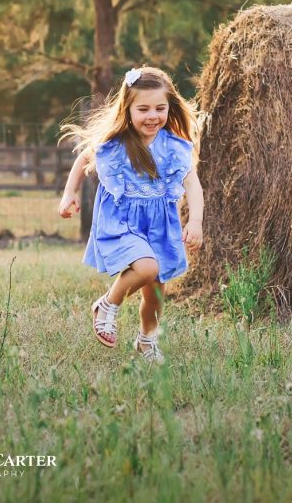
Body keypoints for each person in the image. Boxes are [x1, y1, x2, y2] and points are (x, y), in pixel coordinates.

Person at [58, 66, 204, 364]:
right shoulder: (117, 144)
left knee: (155, 294)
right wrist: (69, 193)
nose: (153, 116)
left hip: (160, 227)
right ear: (128, 109)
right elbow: (84, 158)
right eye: (144, 109)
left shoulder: (175, 148)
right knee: (147, 267)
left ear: (169, 108)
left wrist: (196, 221)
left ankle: (147, 340)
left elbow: (193, 185)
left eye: (160, 108)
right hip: (123, 223)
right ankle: (107, 304)